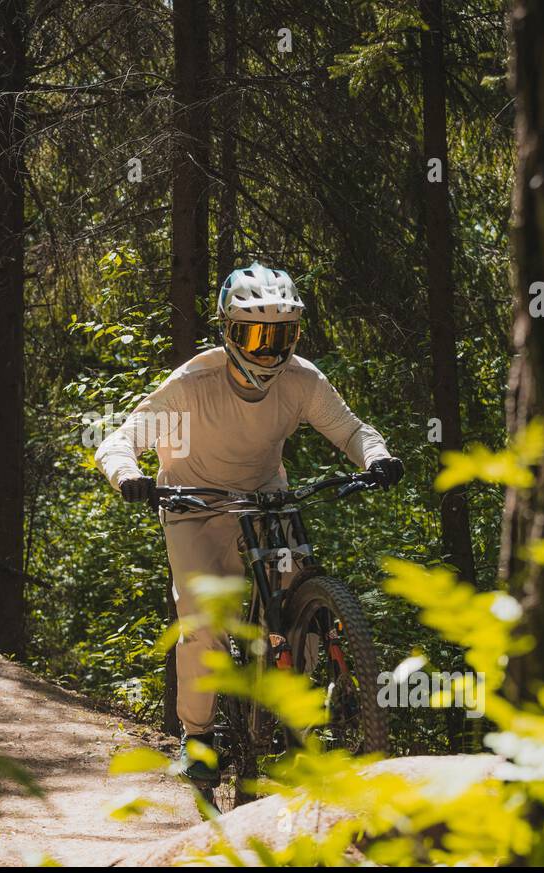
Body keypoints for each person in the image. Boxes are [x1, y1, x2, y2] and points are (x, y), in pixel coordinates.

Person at [95, 262, 404, 783]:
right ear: (228, 331)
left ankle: (295, 720)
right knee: (204, 622)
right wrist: (128, 476)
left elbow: (350, 430)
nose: (268, 350)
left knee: (300, 592)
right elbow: (121, 439)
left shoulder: (302, 381)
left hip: (266, 501)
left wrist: (376, 456)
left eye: (280, 335)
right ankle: (199, 739)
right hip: (195, 504)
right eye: (255, 334)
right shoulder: (195, 383)